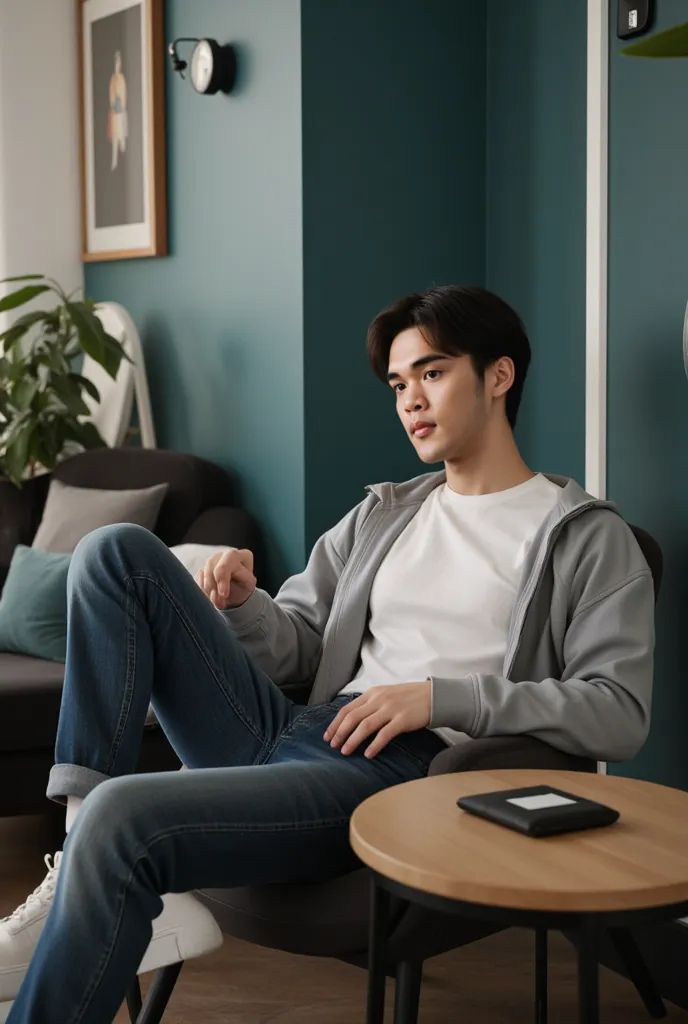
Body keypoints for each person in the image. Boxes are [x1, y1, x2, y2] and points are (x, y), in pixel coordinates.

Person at [0, 286, 654, 1022]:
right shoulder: (385, 513)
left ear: (499, 376)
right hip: (285, 727)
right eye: (399, 385)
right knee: (114, 552)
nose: (411, 401)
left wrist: (440, 696)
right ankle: (77, 835)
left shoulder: (586, 537)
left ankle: (95, 847)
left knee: (127, 815)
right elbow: (296, 647)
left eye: (432, 374)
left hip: (390, 769)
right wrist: (246, 603)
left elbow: (618, 712)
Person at [108, 51, 128, 172]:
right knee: (115, 135)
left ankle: (123, 157)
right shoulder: (114, 79)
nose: (117, 65)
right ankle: (114, 160)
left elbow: (124, 94)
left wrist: (122, 105)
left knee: (121, 136)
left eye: (119, 62)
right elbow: (111, 94)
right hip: (115, 109)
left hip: (120, 109)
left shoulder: (121, 79)